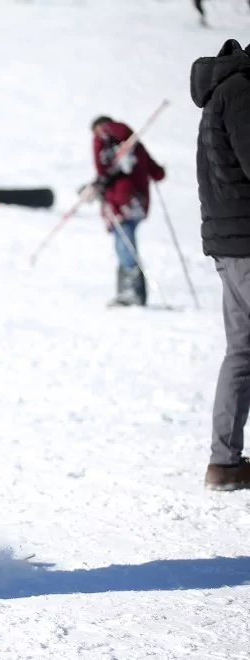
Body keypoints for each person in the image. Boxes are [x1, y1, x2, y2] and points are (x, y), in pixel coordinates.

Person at [192, 39, 250, 490]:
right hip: (246, 242)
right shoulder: (241, 92)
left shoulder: (217, 97)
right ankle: (224, 461)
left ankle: (225, 463)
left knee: (242, 352)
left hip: (229, 245)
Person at [89, 115, 166, 307]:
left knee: (124, 244)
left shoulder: (103, 139)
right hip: (138, 201)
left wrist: (99, 185)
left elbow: (102, 170)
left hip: (119, 201)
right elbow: (157, 172)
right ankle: (134, 293)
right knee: (127, 242)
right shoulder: (133, 143)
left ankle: (131, 293)